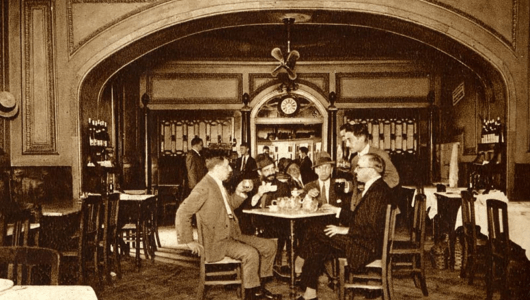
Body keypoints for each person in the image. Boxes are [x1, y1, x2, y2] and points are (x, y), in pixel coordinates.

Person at [176, 156, 278, 300]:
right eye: (227, 166)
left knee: (269, 246)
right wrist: (189, 240)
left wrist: (239, 191)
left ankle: (258, 287)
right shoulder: (204, 187)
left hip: (232, 234)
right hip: (218, 241)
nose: (230, 169)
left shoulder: (217, 183)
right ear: (217, 168)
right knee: (251, 254)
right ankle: (251, 294)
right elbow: (182, 211)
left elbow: (230, 205)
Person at [297, 153, 392, 300]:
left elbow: (372, 229)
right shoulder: (377, 187)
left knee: (314, 230)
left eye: (359, 167)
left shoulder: (377, 192)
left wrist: (345, 229)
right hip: (363, 241)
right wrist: (337, 211)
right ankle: (310, 292)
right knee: (317, 242)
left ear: (372, 170)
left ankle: (300, 262)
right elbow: (362, 219)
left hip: (363, 247)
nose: (355, 171)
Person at [340, 123, 399, 210]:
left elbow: (394, 179)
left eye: (349, 140)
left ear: (361, 138)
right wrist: (348, 186)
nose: (347, 145)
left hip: (379, 208)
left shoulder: (380, 155)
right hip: (360, 208)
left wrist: (371, 188)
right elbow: (357, 185)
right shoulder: (354, 160)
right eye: (346, 141)